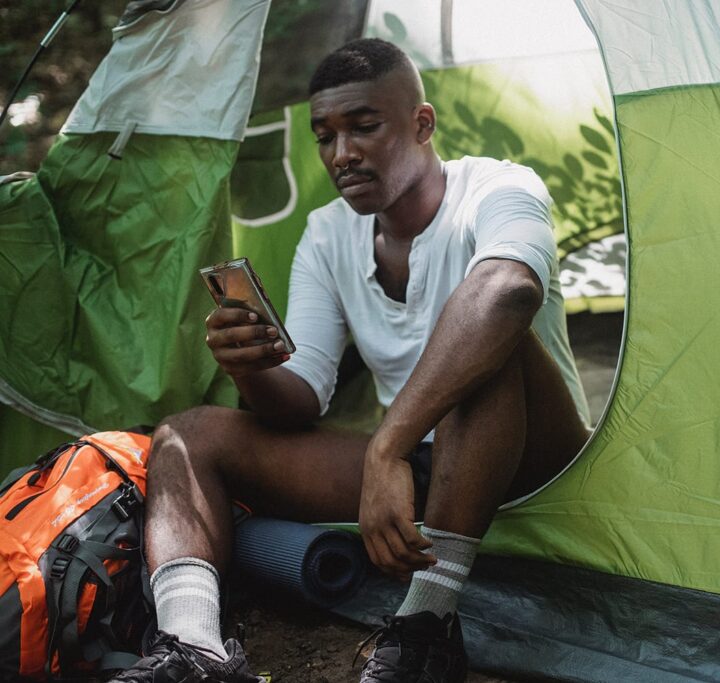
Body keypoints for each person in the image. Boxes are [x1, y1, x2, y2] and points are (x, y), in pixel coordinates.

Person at [111, 38, 590, 683]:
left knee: (493, 337)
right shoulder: (328, 233)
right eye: (325, 137)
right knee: (184, 434)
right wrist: (248, 367)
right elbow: (304, 393)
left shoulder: (500, 187)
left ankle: (426, 628)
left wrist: (384, 448)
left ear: (422, 125)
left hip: (538, 459)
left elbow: (510, 291)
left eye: (364, 127)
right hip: (428, 467)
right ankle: (193, 649)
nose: (342, 154)